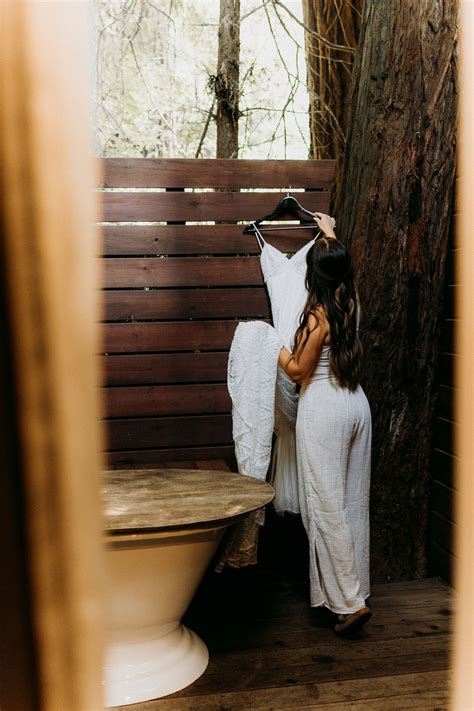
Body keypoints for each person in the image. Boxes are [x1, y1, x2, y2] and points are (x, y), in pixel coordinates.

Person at [277, 212, 372, 636]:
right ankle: (357, 592)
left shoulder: (317, 316)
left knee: (327, 505)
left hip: (326, 410)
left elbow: (298, 371)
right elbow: (340, 266)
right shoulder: (350, 297)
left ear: (311, 275)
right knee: (352, 501)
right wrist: (331, 232)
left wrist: (271, 346)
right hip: (356, 403)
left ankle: (349, 604)